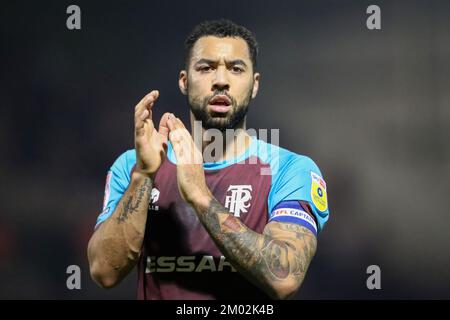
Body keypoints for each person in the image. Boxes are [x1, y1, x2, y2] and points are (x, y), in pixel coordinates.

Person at [87, 19, 329, 300]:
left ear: (255, 84)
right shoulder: (132, 166)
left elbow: (285, 278)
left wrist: (200, 196)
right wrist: (143, 176)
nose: (221, 80)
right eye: (206, 67)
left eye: (236, 68)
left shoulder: (289, 170)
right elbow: (104, 271)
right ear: (184, 81)